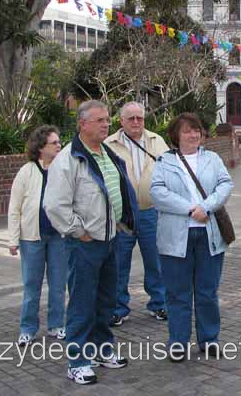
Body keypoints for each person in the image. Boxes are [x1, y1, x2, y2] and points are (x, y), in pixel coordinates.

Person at [45, 100, 139, 385]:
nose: (105, 124)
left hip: (110, 239)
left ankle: (102, 349)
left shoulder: (106, 153)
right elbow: (55, 205)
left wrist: (123, 224)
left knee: (106, 300)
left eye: (107, 119)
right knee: (82, 304)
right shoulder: (69, 159)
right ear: (82, 124)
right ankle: (78, 360)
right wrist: (79, 232)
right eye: (99, 120)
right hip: (84, 243)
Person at [149, 113, 234, 361]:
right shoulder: (164, 161)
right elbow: (157, 192)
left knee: (207, 292)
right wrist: (189, 209)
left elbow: (225, 184)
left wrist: (205, 207)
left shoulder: (212, 158)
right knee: (177, 293)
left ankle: (209, 339)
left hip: (209, 235)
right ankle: (178, 341)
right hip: (176, 236)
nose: (194, 134)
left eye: (197, 130)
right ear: (176, 135)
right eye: (187, 131)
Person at [105, 101, 169, 326]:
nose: (135, 122)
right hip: (123, 216)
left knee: (156, 261)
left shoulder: (156, 141)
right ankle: (118, 308)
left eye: (139, 118)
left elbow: (170, 171)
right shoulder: (108, 145)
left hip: (151, 212)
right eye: (130, 118)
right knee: (119, 263)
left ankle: (159, 304)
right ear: (121, 121)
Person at [8, 125, 67, 347]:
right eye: (54, 143)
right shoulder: (27, 171)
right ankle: (27, 328)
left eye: (59, 142)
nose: (59, 145)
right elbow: (15, 207)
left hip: (59, 237)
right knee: (32, 286)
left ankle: (56, 325)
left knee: (59, 284)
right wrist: (13, 239)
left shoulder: (64, 170)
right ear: (41, 147)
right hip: (31, 238)